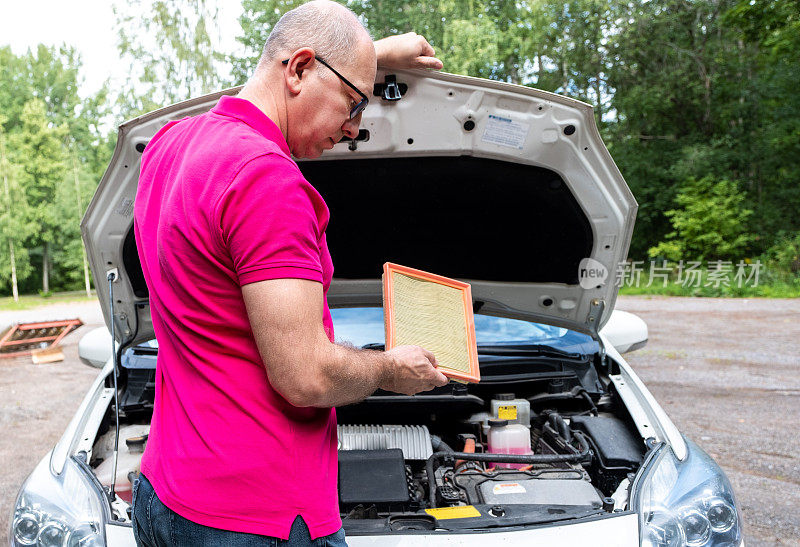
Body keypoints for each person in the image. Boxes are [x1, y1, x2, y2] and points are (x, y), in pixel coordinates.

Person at [131, 1, 449, 545]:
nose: (353, 130)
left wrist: (370, 58)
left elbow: (248, 97)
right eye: (353, 105)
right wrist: (389, 370)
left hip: (166, 494)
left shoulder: (169, 148)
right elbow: (307, 378)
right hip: (258, 518)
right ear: (300, 69)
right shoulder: (266, 181)